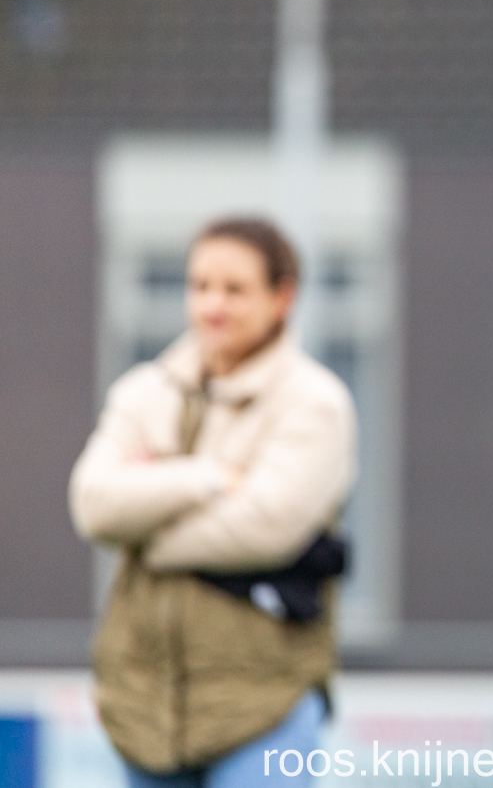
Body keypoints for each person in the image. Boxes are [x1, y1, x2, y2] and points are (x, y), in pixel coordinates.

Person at [69, 218, 357, 787]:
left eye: (234, 289)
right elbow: (92, 505)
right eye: (200, 286)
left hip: (265, 706)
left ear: (282, 298)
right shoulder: (143, 392)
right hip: (142, 710)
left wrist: (144, 524)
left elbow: (263, 526)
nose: (213, 305)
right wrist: (206, 479)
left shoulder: (315, 403)